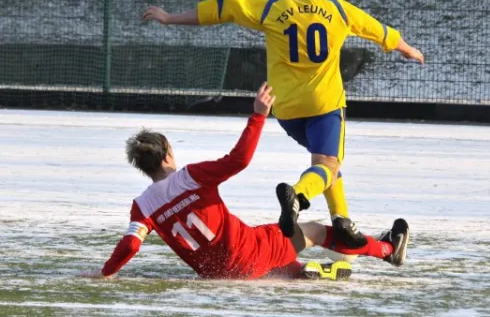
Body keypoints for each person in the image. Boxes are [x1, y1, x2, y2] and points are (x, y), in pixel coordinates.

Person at [141, 0, 423, 248]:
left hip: (286, 108)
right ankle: (298, 195)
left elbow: (224, 5)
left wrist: (170, 17)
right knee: (326, 165)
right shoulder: (337, 8)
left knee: (325, 165)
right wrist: (406, 48)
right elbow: (377, 30)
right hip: (324, 104)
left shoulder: (273, 7)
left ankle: (341, 219)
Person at [79, 84, 410, 281]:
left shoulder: (143, 205)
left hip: (217, 272)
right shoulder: (190, 177)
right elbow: (240, 159)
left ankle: (310, 273)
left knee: (274, 261)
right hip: (245, 251)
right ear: (167, 155)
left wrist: (105, 273)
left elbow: (131, 245)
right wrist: (258, 115)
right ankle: (386, 250)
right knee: (313, 231)